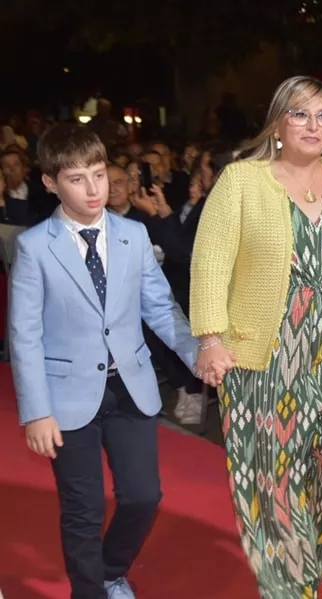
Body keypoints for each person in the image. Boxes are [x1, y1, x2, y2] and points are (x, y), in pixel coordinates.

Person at [190, 76, 322, 599]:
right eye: (302, 114)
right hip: (266, 353)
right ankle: (293, 587)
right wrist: (211, 339)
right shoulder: (241, 179)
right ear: (279, 122)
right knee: (274, 478)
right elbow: (211, 263)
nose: (314, 125)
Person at [10, 124, 197, 599]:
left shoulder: (133, 235)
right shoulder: (34, 247)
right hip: (67, 396)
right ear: (50, 182)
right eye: (77, 178)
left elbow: (159, 307)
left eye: (98, 175)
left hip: (130, 386)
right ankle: (90, 592)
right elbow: (24, 335)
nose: (94, 189)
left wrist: (200, 357)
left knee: (142, 496)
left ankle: (111, 569)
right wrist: (36, 411)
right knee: (84, 507)